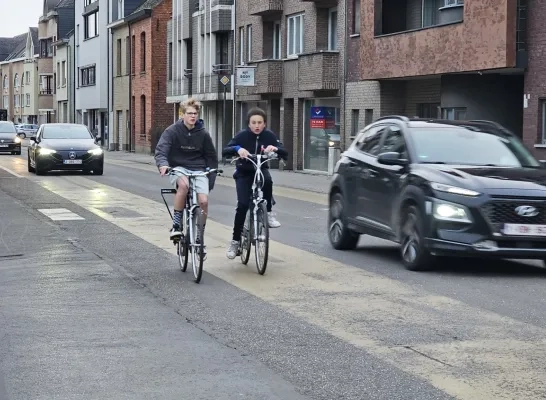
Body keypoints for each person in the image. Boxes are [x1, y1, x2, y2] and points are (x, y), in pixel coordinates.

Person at [222, 107, 288, 260]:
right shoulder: (242, 136)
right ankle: (235, 241)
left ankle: (269, 213)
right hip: (244, 173)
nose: (257, 126)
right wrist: (238, 149)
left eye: (260, 122)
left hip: (260, 169)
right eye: (254, 123)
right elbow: (225, 150)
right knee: (243, 205)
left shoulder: (269, 136)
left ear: (264, 124)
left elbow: (284, 152)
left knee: (269, 181)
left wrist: (275, 148)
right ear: (249, 124)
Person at [154, 98, 218, 256]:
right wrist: (163, 164)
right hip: (179, 167)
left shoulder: (202, 133)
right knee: (183, 186)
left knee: (203, 202)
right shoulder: (172, 131)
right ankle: (176, 224)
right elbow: (162, 150)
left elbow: (211, 156)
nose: (193, 116)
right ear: (182, 114)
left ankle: (199, 237)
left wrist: (211, 176)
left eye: (195, 113)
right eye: (189, 113)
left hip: (199, 169)